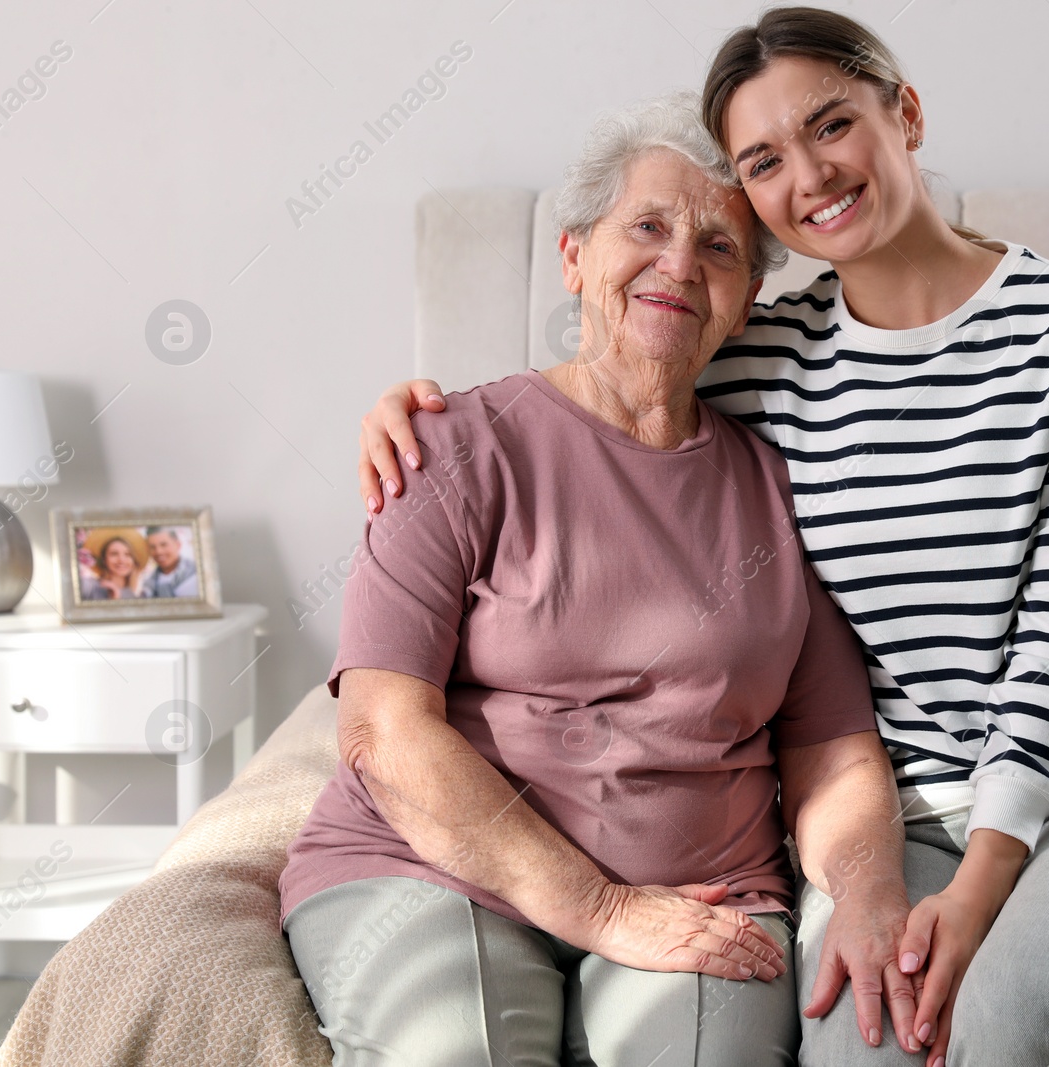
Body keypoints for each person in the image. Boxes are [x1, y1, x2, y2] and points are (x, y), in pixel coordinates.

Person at [354, 9, 1049, 1066]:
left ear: (903, 113)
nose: (810, 175)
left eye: (832, 125)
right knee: (853, 1046)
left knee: (999, 1017)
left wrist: (975, 894)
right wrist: (420, 414)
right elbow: (597, 396)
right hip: (899, 813)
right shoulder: (756, 355)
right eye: (764, 159)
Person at [280, 92, 907, 1067]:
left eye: (718, 247)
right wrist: (601, 908)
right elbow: (382, 731)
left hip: (704, 892)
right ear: (575, 256)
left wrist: (868, 894)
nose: (678, 264)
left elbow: (833, 753)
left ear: (744, 301)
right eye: (648, 227)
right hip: (431, 868)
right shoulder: (448, 446)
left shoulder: (785, 485)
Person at [78, 528, 147, 600]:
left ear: (134, 561)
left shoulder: (138, 596)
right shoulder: (89, 587)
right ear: (104, 559)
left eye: (128, 554)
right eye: (114, 554)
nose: (121, 560)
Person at [140, 526, 198, 598]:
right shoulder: (148, 584)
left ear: (178, 545)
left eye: (163, 545)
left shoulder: (196, 573)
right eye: (152, 547)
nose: (158, 552)